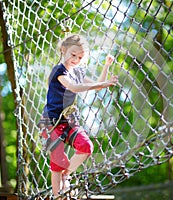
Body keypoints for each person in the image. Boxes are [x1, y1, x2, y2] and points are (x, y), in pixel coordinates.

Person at [38, 34, 118, 198]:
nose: (75, 59)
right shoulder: (59, 71)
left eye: (80, 57)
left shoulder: (78, 72)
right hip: (52, 122)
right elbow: (73, 87)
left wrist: (106, 67)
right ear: (63, 50)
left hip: (69, 121)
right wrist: (102, 84)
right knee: (57, 163)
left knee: (86, 146)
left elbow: (95, 86)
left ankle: (67, 175)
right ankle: (57, 195)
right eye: (73, 54)